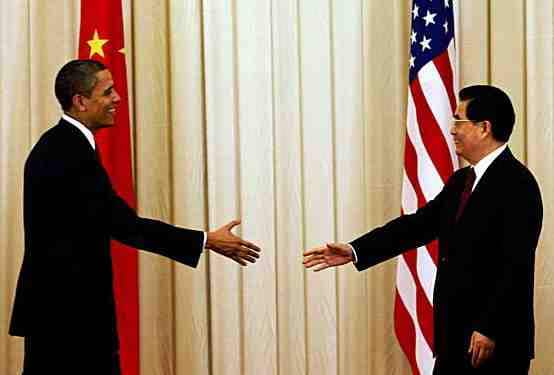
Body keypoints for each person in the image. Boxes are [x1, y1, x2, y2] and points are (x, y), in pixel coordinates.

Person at [9, 59, 261, 374]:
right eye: (107, 92)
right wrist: (206, 240)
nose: (117, 99)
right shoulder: (66, 152)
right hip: (69, 318)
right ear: (80, 101)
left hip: (65, 313)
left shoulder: (63, 145)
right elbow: (122, 224)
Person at [303, 85, 542, 374]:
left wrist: (488, 327)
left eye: (459, 121)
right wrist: (355, 250)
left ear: (484, 127)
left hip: (492, 342)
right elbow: (416, 226)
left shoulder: (517, 184)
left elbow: (514, 264)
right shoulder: (461, 181)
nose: (452, 130)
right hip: (455, 338)